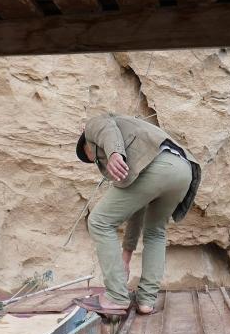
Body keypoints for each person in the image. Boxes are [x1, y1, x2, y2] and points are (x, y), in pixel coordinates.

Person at [75, 113, 201, 316]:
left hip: (156, 166)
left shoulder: (92, 129)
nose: (100, 163)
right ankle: (146, 302)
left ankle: (116, 297)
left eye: (96, 159)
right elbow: (137, 211)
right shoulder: (137, 147)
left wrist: (114, 153)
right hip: (184, 170)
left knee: (99, 221)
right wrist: (125, 258)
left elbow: (106, 128)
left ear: (87, 145)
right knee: (156, 232)